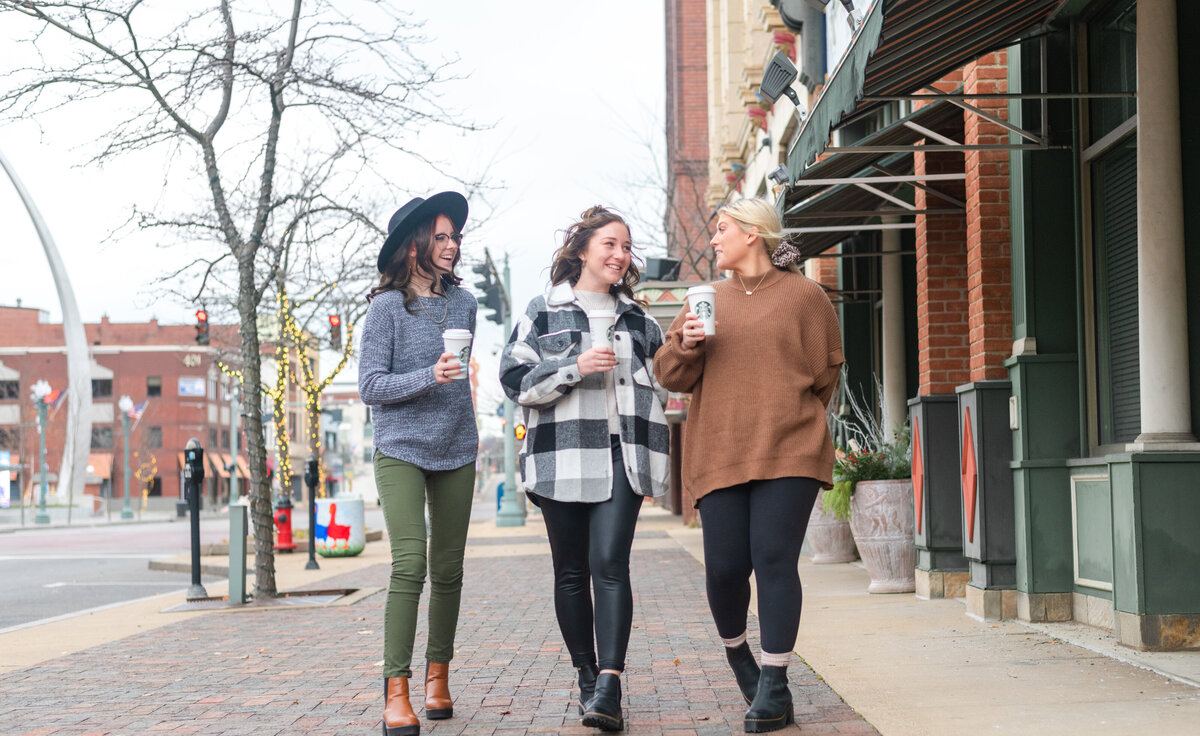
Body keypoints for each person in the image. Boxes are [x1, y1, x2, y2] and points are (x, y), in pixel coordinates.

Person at [655, 198, 843, 734]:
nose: (713, 240)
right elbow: (668, 374)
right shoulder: (703, 299)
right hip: (719, 450)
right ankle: (742, 660)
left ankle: (776, 683)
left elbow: (825, 373)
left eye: (722, 230)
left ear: (753, 234)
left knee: (774, 558)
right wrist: (687, 344)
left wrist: (788, 417)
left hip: (790, 448)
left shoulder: (807, 297)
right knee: (724, 568)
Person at [500, 205, 670, 732]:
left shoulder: (639, 318)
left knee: (610, 564)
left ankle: (610, 686)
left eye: (626, 247)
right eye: (610, 245)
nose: (620, 255)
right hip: (560, 460)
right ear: (581, 250)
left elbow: (668, 378)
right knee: (571, 573)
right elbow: (514, 382)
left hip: (625, 457)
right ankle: (585, 674)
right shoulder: (542, 311)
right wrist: (574, 368)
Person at [358, 191, 477, 736]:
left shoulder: (466, 304)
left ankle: (438, 676)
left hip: (456, 445)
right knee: (410, 563)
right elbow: (371, 386)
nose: (453, 245)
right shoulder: (385, 309)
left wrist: (451, 379)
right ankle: (395, 690)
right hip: (401, 447)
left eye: (455, 236)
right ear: (415, 247)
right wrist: (429, 375)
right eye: (443, 236)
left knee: (449, 568)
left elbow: (461, 374)